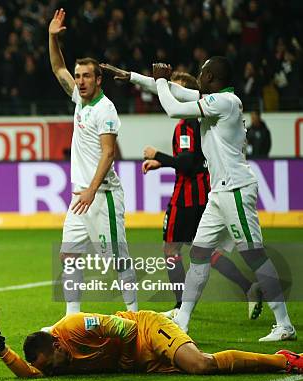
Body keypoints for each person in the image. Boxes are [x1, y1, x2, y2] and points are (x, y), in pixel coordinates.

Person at [120, 56, 295, 341]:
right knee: (199, 254)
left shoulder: (224, 102)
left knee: (254, 255)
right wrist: (132, 77)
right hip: (219, 192)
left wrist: (163, 80)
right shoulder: (218, 99)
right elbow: (176, 92)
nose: (197, 75)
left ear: (212, 77)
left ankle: (284, 325)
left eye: (201, 72)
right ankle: (184, 322)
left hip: (236, 190)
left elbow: (174, 107)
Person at [102, 67, 263, 320]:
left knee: (171, 250)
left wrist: (160, 156)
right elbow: (196, 159)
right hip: (207, 192)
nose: (166, 90)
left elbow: (188, 163)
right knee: (206, 252)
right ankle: (247, 287)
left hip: (188, 194)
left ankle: (180, 307)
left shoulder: (187, 123)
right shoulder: (202, 119)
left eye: (172, 86)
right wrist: (163, 163)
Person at [48, 8, 137, 318]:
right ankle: (72, 318)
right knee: (69, 255)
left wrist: (90, 191)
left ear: (99, 79)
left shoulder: (105, 110)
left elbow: (108, 154)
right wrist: (51, 37)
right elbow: (58, 67)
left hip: (102, 197)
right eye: (79, 76)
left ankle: (135, 315)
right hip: (80, 196)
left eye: (87, 76)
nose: (80, 81)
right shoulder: (80, 100)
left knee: (118, 260)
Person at [0, 300, 303, 377]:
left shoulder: (76, 325)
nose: (52, 372)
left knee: (201, 365)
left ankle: (283, 360)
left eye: (52, 365)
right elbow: (30, 372)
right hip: (138, 363)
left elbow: (126, 330)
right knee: (199, 368)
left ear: (59, 346)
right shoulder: (51, 360)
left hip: (147, 330)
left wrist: (117, 359)